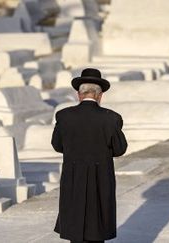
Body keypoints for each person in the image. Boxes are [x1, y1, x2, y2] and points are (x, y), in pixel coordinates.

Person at [51, 68, 128, 243]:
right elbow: (120, 149)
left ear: (79, 94)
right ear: (99, 96)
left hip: (73, 177)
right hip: (100, 178)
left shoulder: (64, 116)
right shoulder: (111, 118)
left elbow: (57, 145)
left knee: (75, 226)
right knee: (97, 226)